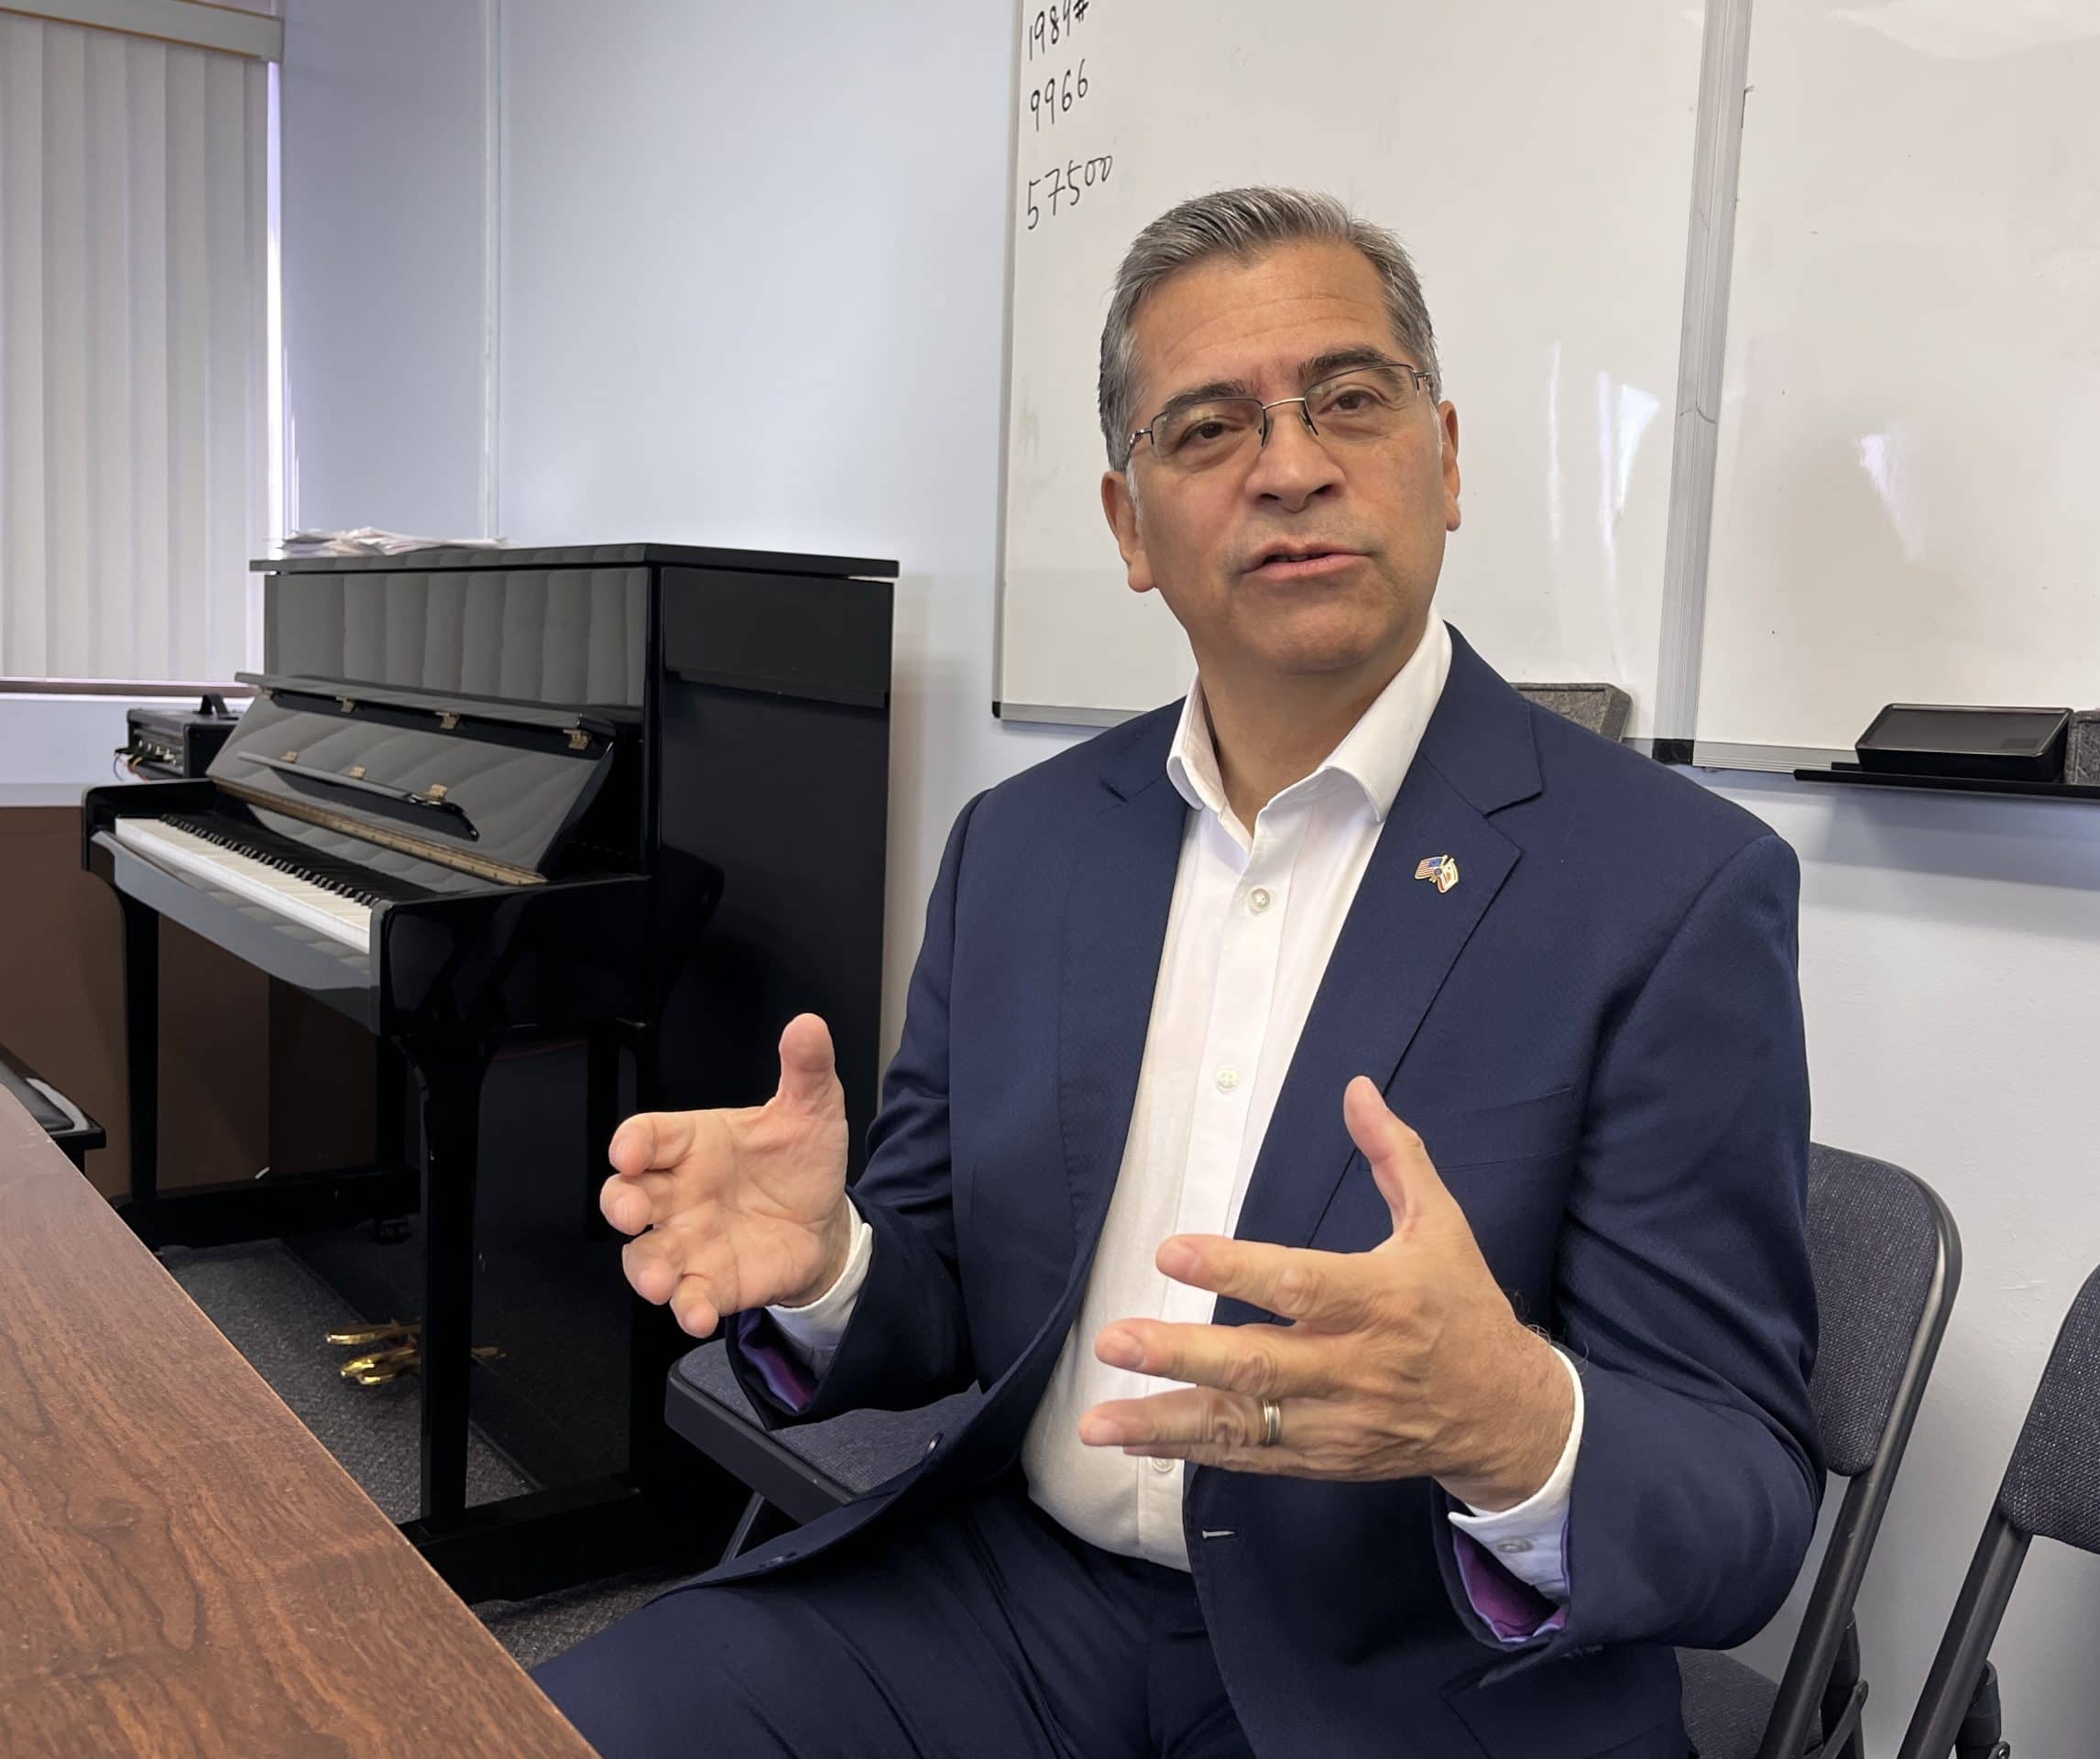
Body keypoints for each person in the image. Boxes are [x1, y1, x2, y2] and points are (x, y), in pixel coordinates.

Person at [533, 187, 1821, 1759]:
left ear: (1448, 458)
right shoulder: (1023, 847)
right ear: (1131, 528)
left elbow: (1748, 1503)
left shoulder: (1672, 887)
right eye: (1208, 429)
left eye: (1350, 397)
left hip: (1416, 1681)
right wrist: (835, 1267)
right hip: (1014, 1602)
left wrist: (1515, 1423)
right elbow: (946, 1294)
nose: (1292, 463)